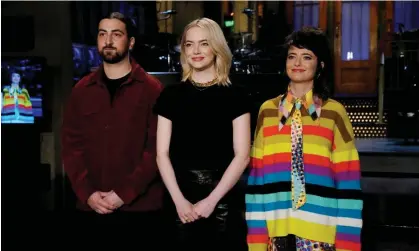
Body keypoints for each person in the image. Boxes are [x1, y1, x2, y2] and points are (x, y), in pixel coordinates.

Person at [245, 27, 363, 251]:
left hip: (321, 235)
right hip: (275, 234)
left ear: (320, 65)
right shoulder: (267, 111)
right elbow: (256, 182)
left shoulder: (334, 113)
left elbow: (349, 183)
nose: (297, 62)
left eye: (306, 56)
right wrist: (256, 242)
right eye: (292, 56)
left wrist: (348, 245)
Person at [61, 12, 164, 248]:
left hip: (140, 211)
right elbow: (71, 146)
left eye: (116, 34)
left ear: (130, 42)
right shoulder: (81, 90)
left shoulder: (152, 90)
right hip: (91, 207)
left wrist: (123, 194)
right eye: (102, 34)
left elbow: (156, 150)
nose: (108, 41)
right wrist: (88, 194)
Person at [153, 17, 251, 251]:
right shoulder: (170, 95)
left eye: (204, 43)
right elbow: (161, 154)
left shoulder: (236, 95)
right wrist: (179, 201)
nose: (196, 51)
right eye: (189, 44)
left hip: (223, 198)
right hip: (178, 197)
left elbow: (242, 156)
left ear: (216, 47)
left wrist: (211, 201)